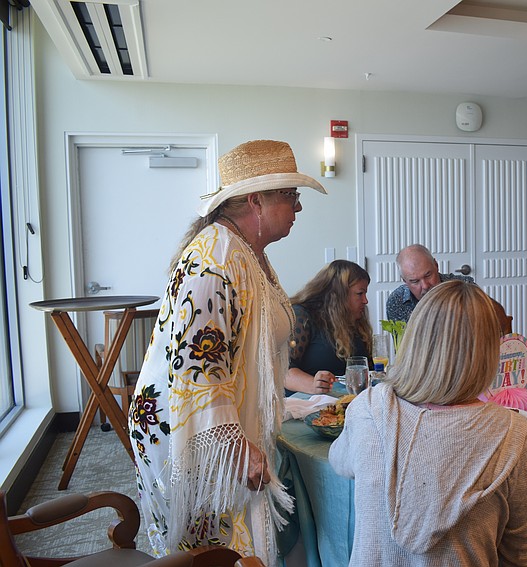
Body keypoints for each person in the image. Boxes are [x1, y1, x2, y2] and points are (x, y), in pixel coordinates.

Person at [128, 139, 326, 562]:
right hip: (191, 433)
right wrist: (236, 448)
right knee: (213, 553)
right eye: (291, 196)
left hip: (215, 423)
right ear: (256, 201)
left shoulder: (245, 252)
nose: (299, 208)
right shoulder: (216, 260)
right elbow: (198, 370)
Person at [329, 280, 527, 565]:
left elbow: (339, 462)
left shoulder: (368, 407)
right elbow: (522, 554)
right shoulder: (512, 433)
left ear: (414, 339)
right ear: (489, 352)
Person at [286, 259, 372, 394]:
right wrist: (313, 385)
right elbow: (283, 371)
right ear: (339, 294)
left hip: (346, 400)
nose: (365, 301)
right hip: (308, 403)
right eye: (360, 293)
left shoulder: (355, 320)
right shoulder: (302, 316)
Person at [385, 244, 473, 322]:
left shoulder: (466, 289)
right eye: (415, 281)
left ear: (436, 265)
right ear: (404, 281)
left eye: (428, 275)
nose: (425, 286)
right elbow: (401, 340)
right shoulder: (397, 301)